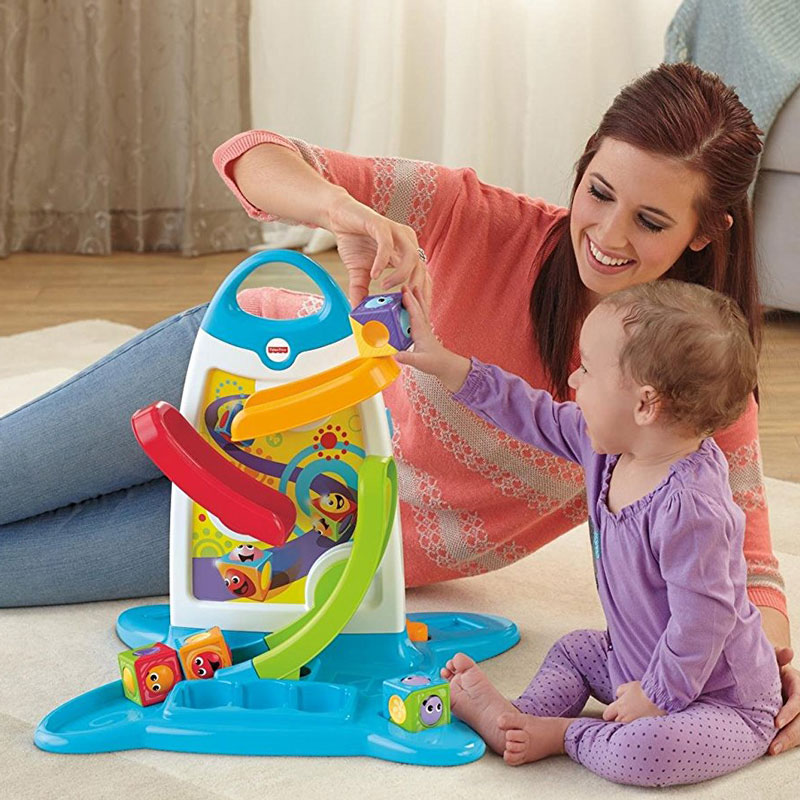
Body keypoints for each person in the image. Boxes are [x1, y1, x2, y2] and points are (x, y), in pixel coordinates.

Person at [0, 63, 798, 754]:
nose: (608, 234)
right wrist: (340, 211)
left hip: (302, 545)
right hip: (233, 375)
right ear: (585, 162)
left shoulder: (691, 401)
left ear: (706, 231)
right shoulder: (478, 218)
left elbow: (750, 574)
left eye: (650, 221)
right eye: (599, 191)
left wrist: (762, 679)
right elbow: (249, 155)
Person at [395, 277, 780, 786]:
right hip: (632, 662)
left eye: (588, 369)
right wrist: (447, 365)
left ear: (645, 404)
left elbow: (703, 623)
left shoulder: (693, 508)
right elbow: (528, 410)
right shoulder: (608, 448)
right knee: (575, 651)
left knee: (645, 752)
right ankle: (519, 718)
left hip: (721, 700)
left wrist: (657, 696)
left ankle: (565, 735)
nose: (573, 379)